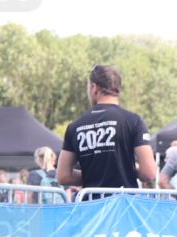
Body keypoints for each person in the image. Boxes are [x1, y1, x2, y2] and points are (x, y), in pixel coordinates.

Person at [57, 64, 157, 193]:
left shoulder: (74, 127)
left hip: (91, 206)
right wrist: (125, 171)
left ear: (94, 88)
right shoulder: (133, 121)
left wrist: (92, 175)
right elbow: (149, 173)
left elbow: (63, 176)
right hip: (123, 205)